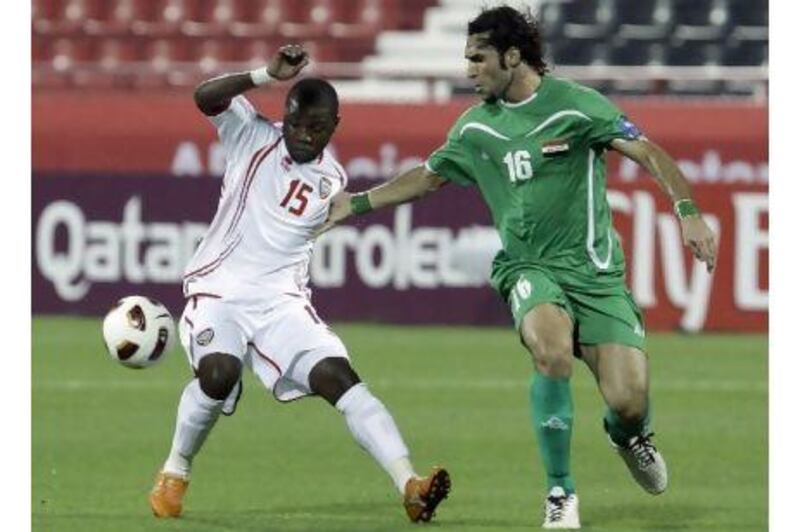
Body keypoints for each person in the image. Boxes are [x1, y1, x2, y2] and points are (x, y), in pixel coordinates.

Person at [321, 7, 718, 530]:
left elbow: (648, 153)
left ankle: (630, 435)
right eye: (466, 58)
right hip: (528, 268)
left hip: (596, 275)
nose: (468, 70)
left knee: (627, 400)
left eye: (478, 58)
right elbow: (428, 177)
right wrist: (357, 204)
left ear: (512, 56)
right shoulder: (475, 128)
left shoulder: (577, 107)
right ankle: (560, 493)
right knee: (550, 350)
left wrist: (687, 212)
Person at [149, 44, 451, 524]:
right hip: (218, 293)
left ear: (334, 128)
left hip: (281, 303)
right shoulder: (249, 133)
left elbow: (325, 214)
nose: (303, 136)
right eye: (294, 124)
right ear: (283, 116)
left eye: (315, 128)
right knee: (219, 373)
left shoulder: (331, 179)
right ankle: (175, 471)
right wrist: (264, 75)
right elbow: (205, 97)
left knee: (340, 378)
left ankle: (409, 484)